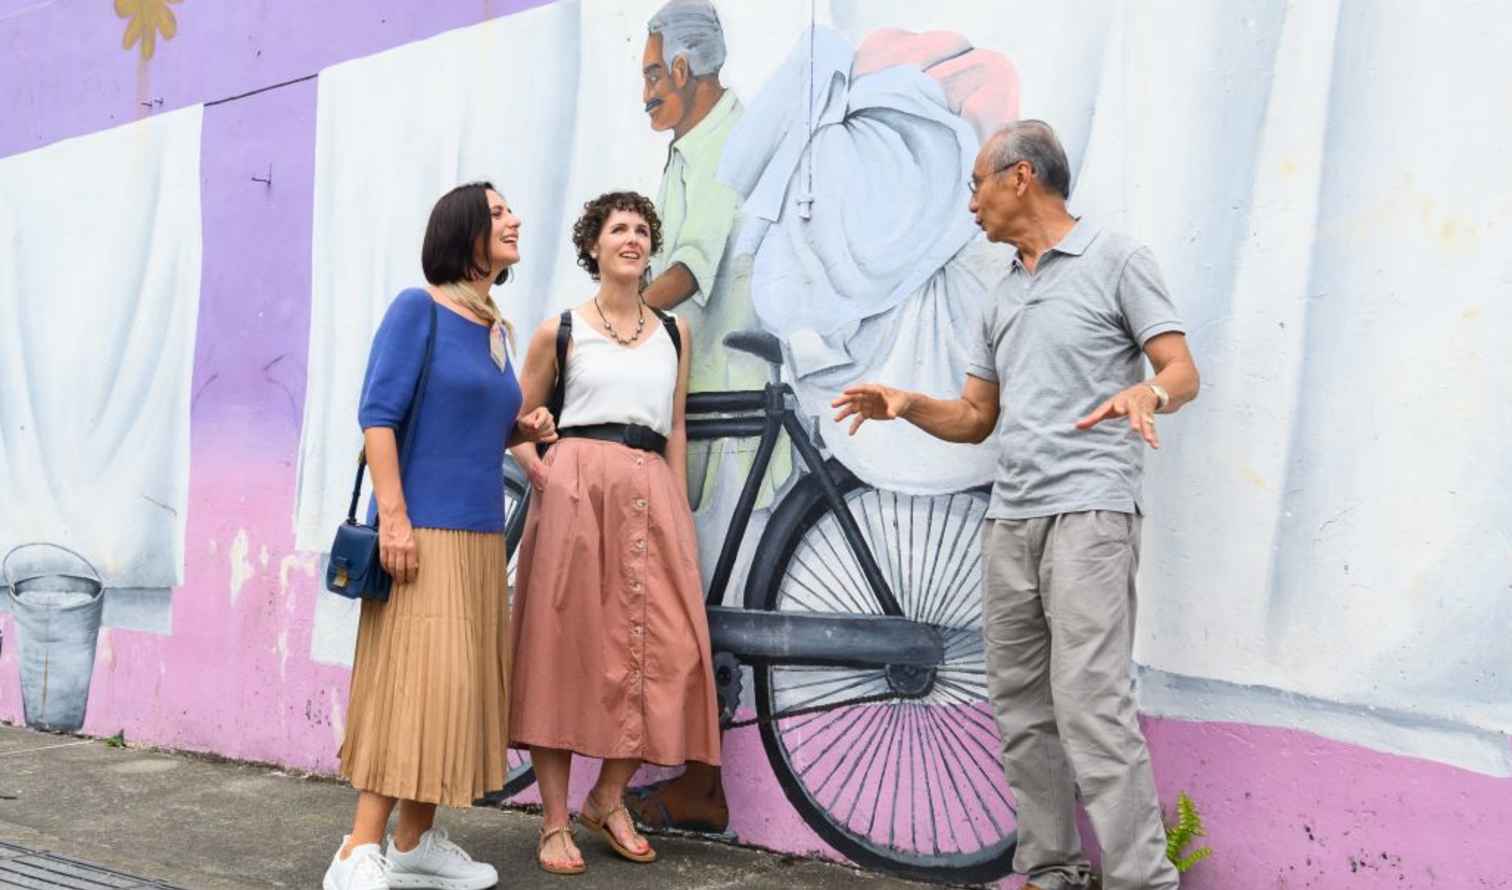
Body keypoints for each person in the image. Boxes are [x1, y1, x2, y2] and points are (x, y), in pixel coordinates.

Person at [832, 121, 1201, 890]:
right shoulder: (999, 295)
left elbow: (1181, 367)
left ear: (1020, 177)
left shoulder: (1117, 260)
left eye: (976, 183)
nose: (970, 202)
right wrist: (906, 403)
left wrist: (1149, 390)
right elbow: (975, 418)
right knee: (1023, 708)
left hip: (1091, 512)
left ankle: (1143, 880)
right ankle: (1052, 870)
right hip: (1011, 520)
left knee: (1092, 703)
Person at [323, 182, 556, 890]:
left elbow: (481, 424)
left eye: (512, 208)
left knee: (451, 690)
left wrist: (526, 427)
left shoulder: (494, 328)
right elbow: (379, 417)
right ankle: (355, 849)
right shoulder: (416, 310)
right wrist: (394, 518)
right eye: (497, 213)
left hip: (482, 539)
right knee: (409, 686)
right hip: (420, 532)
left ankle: (414, 842)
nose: (514, 218)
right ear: (465, 233)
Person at [509, 191, 720, 876]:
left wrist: (679, 505)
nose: (632, 238)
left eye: (641, 229)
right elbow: (516, 421)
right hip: (577, 488)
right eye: (617, 228)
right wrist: (544, 475)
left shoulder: (675, 332)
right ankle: (551, 820)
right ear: (593, 246)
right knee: (563, 651)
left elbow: (677, 423)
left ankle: (606, 796)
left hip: (651, 492)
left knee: (668, 647)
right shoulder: (561, 329)